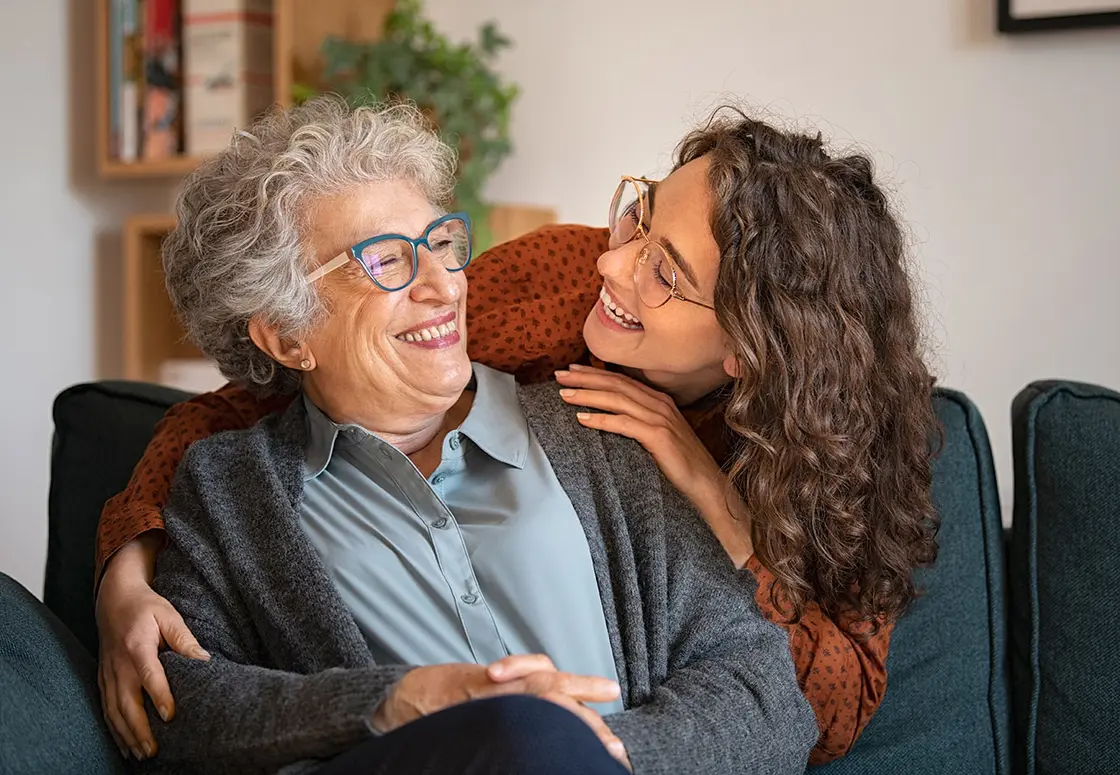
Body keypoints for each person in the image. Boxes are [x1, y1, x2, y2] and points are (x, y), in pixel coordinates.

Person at [95, 101, 939, 765]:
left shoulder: (637, 448)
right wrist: (124, 573)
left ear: (751, 351)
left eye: (664, 271)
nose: (614, 263)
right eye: (638, 217)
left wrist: (716, 505)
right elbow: (235, 408)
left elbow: (797, 703)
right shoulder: (559, 290)